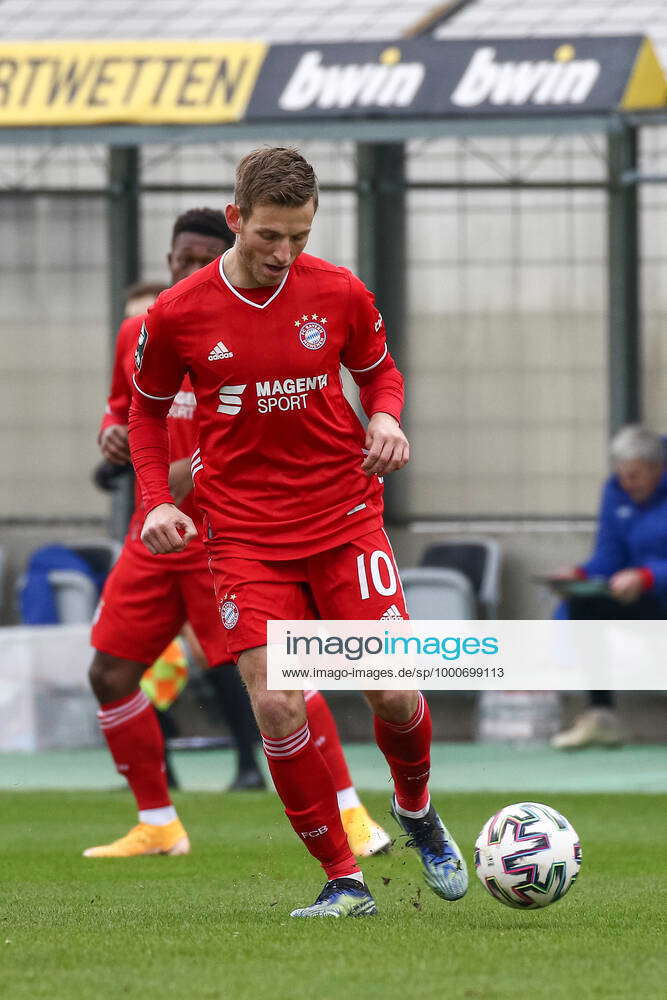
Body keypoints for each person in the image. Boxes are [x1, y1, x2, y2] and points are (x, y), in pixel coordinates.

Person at [128, 147, 468, 916]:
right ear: (235, 219)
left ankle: (415, 813)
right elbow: (146, 414)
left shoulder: (338, 292)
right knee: (277, 703)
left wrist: (384, 416)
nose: (284, 255)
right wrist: (156, 500)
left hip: (344, 519)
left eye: (300, 237)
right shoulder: (178, 313)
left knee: (390, 690)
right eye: (268, 237)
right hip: (244, 533)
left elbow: (380, 370)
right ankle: (344, 878)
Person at [86, 206, 390, 859]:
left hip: (229, 530)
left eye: (203, 260)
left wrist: (187, 475)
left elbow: (252, 440)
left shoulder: (257, 325)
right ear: (167, 261)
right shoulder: (145, 332)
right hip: (155, 532)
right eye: (180, 260)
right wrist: (114, 444)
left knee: (280, 678)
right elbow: (130, 414)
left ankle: (350, 814)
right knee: (110, 671)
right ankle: (159, 821)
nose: (189, 271)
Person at [551, 424, 667, 749]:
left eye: (637, 475)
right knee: (584, 603)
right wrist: (579, 574)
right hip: (646, 600)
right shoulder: (616, 489)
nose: (628, 483)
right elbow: (609, 556)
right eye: (623, 475)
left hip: (657, 589)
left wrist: (646, 576)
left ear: (659, 468)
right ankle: (601, 716)